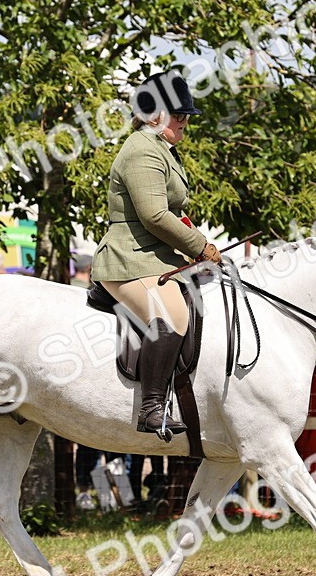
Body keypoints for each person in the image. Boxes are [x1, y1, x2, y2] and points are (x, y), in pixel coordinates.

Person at [91, 69, 220, 434]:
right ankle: (151, 410)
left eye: (184, 116)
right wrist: (200, 246)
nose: (184, 122)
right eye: (178, 115)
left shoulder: (161, 149)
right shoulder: (141, 150)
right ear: (153, 115)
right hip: (128, 259)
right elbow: (155, 215)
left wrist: (194, 241)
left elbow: (173, 212)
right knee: (173, 313)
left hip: (155, 257)